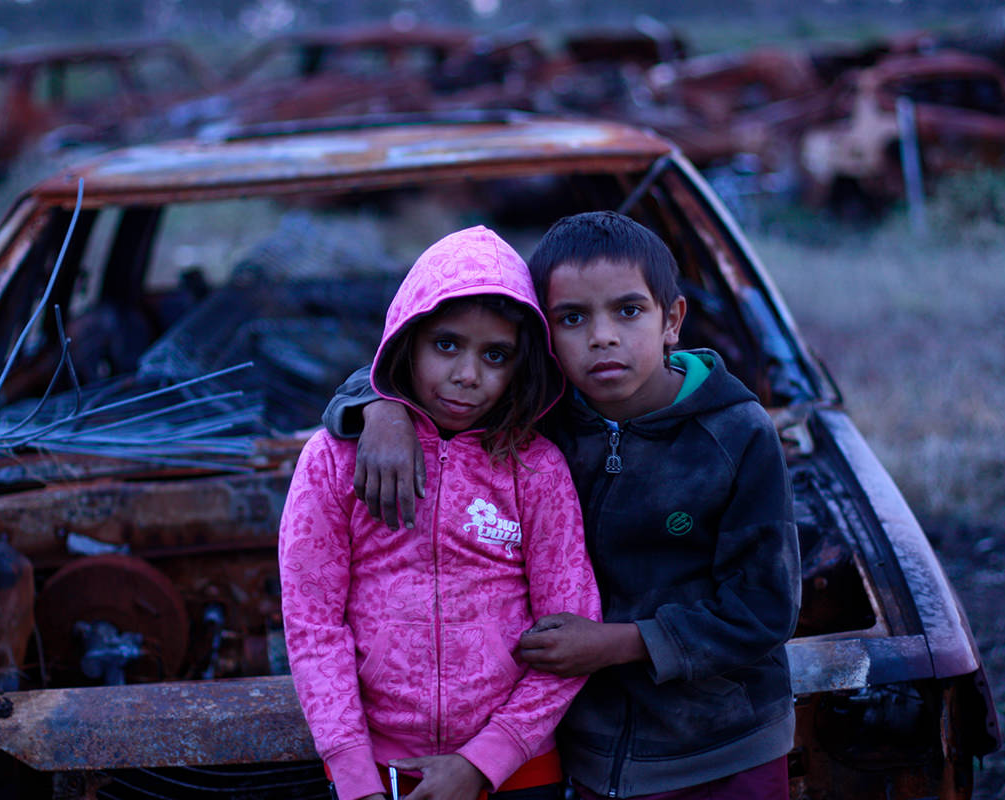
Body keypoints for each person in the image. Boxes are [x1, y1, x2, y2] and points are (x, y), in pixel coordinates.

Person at [322, 211, 800, 800]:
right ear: (543, 342)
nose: (602, 337)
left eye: (628, 311)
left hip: (723, 747)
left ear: (672, 319)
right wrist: (380, 407)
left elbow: (764, 609)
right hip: (589, 752)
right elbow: (428, 363)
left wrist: (618, 643)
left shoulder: (736, 434)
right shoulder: (538, 420)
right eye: (572, 318)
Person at [279, 225, 600, 800]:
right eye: (446, 344)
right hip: (375, 771)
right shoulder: (333, 459)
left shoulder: (535, 468)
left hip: (518, 769)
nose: (467, 375)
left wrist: (484, 761)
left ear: (521, 367)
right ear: (407, 339)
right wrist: (355, 778)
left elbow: (572, 633)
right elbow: (314, 626)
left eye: (494, 355)